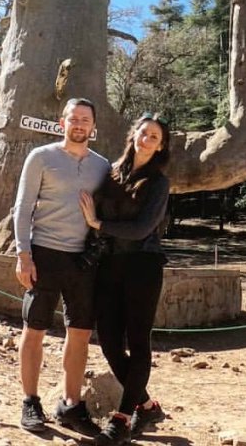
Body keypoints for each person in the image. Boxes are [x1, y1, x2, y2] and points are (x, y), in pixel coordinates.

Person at [13, 97, 111, 434]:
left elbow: (107, 211)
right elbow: (22, 208)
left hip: (83, 259)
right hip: (44, 253)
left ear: (93, 127)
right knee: (35, 328)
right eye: (74, 118)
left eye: (86, 119)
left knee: (81, 333)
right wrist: (23, 254)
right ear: (62, 123)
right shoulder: (40, 157)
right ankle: (30, 401)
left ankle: (71, 404)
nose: (80, 124)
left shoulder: (103, 166)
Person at [79, 113, 171, 446]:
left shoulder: (159, 183)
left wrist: (98, 224)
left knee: (138, 340)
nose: (147, 139)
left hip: (143, 265)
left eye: (154, 137)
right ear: (133, 135)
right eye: (144, 133)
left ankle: (121, 418)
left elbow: (141, 229)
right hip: (109, 265)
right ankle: (146, 406)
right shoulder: (112, 172)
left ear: (160, 147)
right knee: (108, 342)